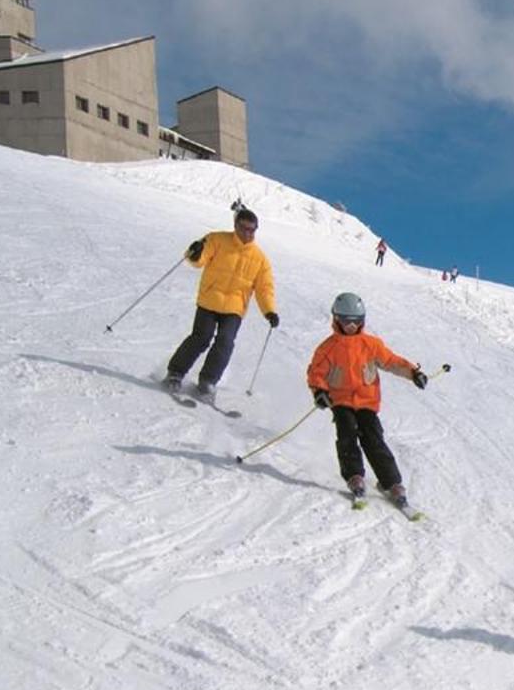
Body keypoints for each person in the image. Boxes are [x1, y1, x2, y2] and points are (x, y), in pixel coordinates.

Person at [306, 291, 429, 508]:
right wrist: (319, 392)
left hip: (367, 401)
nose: (351, 326)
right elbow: (316, 373)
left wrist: (413, 373)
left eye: (355, 322)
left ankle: (391, 482)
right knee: (347, 432)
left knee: (373, 438)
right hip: (341, 400)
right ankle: (354, 475)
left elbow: (392, 362)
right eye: (346, 321)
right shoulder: (328, 348)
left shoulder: (371, 344)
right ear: (336, 319)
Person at [164, 204, 278, 404]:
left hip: (234, 308)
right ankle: (175, 373)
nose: (247, 233)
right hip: (210, 300)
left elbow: (264, 288)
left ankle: (208, 381)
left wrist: (269, 311)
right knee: (201, 337)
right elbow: (198, 260)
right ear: (235, 226)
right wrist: (195, 252)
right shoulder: (217, 239)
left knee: (225, 342)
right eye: (243, 228)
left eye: (252, 229)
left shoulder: (260, 259)